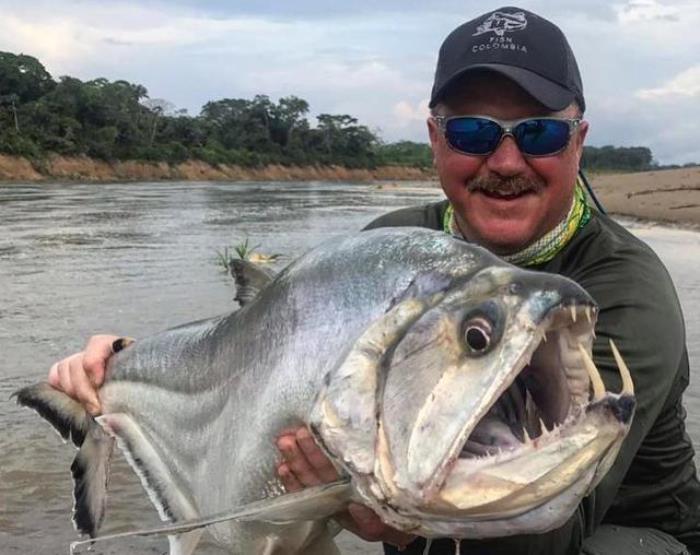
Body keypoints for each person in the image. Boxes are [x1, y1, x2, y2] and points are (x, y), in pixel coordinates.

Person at [48, 6, 699, 555]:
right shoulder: (391, 248)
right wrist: (123, 361)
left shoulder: (626, 288)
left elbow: (559, 521)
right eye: (473, 132)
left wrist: (391, 522)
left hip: (629, 535)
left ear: (579, 142)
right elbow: (254, 336)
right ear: (434, 140)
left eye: (539, 133)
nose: (505, 161)